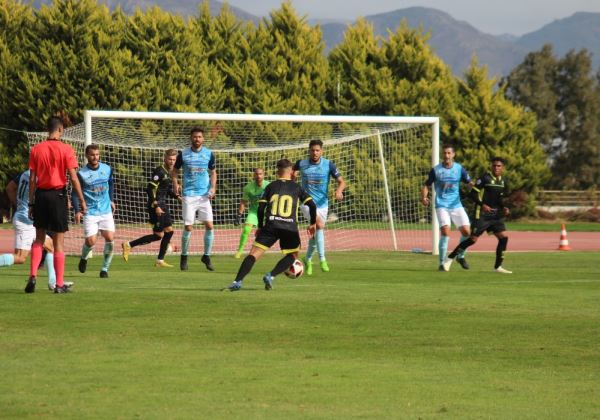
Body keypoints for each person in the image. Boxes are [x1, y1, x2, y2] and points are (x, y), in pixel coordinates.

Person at [227, 159, 316, 291]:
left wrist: (261, 227)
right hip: (289, 227)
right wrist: (312, 223)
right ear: (291, 171)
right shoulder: (297, 187)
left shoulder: (270, 186)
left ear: (277, 172)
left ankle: (237, 281)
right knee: (293, 255)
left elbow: (261, 208)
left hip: (271, 226)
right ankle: (271, 275)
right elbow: (312, 205)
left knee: (254, 254)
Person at [26, 116, 86, 294]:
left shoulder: (36, 149)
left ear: (48, 129)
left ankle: (33, 275)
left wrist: (31, 202)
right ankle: (59, 284)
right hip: (58, 195)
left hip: (41, 196)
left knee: (39, 239)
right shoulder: (66, 149)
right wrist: (81, 201)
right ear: (60, 129)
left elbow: (32, 179)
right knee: (59, 243)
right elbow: (74, 177)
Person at [443, 157, 512, 274]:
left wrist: (504, 208)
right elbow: (472, 195)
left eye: (499, 166)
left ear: (502, 168)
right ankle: (450, 258)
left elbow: (499, 198)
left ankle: (498, 267)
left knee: (503, 238)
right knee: (473, 240)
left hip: (495, 216)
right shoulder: (485, 178)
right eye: (494, 165)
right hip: (482, 214)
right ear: (491, 166)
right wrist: (482, 204)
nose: (496, 168)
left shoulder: (502, 181)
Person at [0, 170, 66, 291]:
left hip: (27, 218)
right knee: (20, 257)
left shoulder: (24, 174)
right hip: (26, 221)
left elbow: (10, 188)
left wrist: (18, 205)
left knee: (50, 246)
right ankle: (53, 281)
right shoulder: (41, 177)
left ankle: (53, 282)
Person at [293, 139, 346, 275]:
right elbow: (291, 173)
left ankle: (308, 259)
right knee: (320, 226)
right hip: (306, 202)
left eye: (317, 150)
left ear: (321, 151)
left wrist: (339, 190)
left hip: (323, 204)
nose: (315, 153)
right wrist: (293, 178)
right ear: (309, 151)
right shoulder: (301, 163)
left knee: (315, 235)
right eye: (312, 150)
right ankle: (322, 260)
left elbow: (341, 182)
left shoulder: (329, 165)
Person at [122, 149, 179, 267]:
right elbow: (149, 189)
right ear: (165, 158)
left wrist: (176, 196)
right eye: (170, 159)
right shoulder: (160, 171)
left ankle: (158, 260)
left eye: (174, 159)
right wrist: (156, 205)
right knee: (164, 234)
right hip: (157, 206)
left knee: (165, 233)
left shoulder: (169, 172)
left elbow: (165, 190)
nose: (172, 161)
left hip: (162, 204)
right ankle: (131, 246)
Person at [421, 144, 473, 271]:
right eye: (444, 153)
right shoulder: (436, 170)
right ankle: (442, 263)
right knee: (445, 231)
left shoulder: (459, 169)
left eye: (449, 153)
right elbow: (426, 185)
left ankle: (460, 255)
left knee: (467, 232)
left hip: (456, 205)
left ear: (453, 155)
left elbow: (469, 182)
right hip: (442, 205)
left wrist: (476, 188)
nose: (446, 156)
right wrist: (424, 197)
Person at [171, 127, 217, 271]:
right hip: (189, 195)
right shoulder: (183, 154)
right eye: (195, 137)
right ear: (191, 138)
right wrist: (175, 184)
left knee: (209, 226)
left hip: (204, 195)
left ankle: (206, 256)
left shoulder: (209, 154)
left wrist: (213, 187)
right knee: (188, 227)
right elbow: (174, 172)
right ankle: (184, 256)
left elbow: (213, 172)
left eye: (200, 137)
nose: (197, 139)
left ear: (203, 139)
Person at [72, 144, 115, 278]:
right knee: (91, 241)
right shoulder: (81, 174)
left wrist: (112, 199)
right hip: (90, 211)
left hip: (105, 210)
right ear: (87, 156)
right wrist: (77, 210)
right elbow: (74, 193)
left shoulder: (107, 169)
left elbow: (111, 183)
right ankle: (84, 258)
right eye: (92, 155)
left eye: (97, 154)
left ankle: (104, 269)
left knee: (110, 239)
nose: (95, 157)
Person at [233, 167, 270, 259]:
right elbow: (243, 202)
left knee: (274, 231)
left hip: (267, 212)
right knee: (246, 230)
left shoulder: (269, 185)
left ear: (263, 174)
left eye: (260, 174)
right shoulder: (248, 188)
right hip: (254, 212)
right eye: (256, 174)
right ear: (254, 175)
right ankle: (240, 251)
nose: (258, 176)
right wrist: (239, 215)